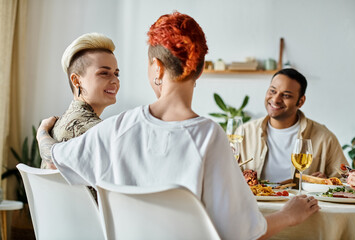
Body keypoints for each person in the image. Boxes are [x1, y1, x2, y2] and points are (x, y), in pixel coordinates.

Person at [37, 12, 319, 239]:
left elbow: (55, 154)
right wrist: (290, 215)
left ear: (157, 68)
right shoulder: (210, 137)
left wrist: (42, 135)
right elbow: (243, 233)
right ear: (199, 70)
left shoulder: (117, 128)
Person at [239, 68, 348, 183]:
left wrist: (326, 183)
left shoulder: (325, 138)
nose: (275, 99)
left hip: (304, 201)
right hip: (255, 201)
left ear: (300, 101)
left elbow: (345, 181)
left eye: (286, 95)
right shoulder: (243, 132)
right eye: (272, 91)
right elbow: (225, 174)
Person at [40, 32, 120, 169]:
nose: (115, 80)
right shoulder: (98, 132)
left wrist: (41, 133)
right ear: (76, 81)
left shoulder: (55, 126)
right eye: (104, 73)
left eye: (116, 74)